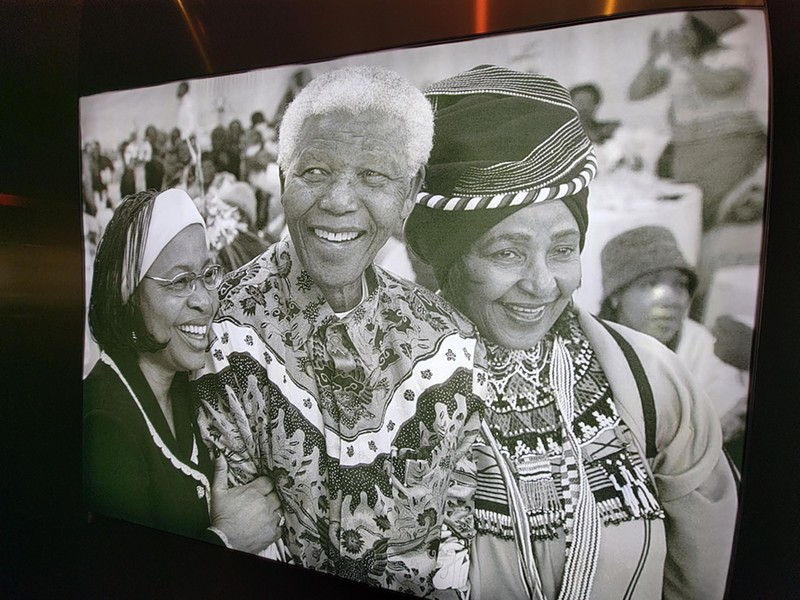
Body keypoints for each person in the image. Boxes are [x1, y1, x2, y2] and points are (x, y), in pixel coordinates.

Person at [405, 65, 738, 600]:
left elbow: (707, 574)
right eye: (506, 252)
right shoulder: (388, 400)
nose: (541, 284)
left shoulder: (652, 383)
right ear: (448, 258)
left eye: (563, 249)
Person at [191, 66, 485, 597]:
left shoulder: (449, 342)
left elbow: (458, 516)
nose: (339, 201)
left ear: (411, 190)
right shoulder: (219, 335)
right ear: (282, 176)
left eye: (374, 176)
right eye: (315, 172)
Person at [84, 188, 282, 553]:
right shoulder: (103, 423)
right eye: (179, 282)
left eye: (207, 274)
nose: (205, 301)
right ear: (128, 293)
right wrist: (226, 540)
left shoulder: (186, 385)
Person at [598, 226, 748, 457]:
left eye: (679, 284)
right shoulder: (588, 352)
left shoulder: (700, 344)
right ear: (616, 296)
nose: (670, 299)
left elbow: (724, 411)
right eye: (649, 284)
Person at [628, 10, 767, 230]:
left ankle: (720, 262)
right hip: (688, 150)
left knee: (718, 213)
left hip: (730, 145)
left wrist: (684, 58)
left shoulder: (736, 56)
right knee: (690, 214)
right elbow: (636, 93)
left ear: (705, 33)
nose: (680, 36)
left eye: (687, 31)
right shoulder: (680, 62)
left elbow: (717, 86)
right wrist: (652, 58)